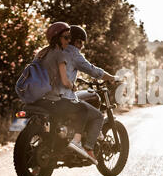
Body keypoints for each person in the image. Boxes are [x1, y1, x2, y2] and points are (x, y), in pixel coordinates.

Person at [33, 22, 94, 163]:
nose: (69, 41)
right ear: (58, 39)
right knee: (83, 110)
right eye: (66, 38)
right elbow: (65, 81)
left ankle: (54, 146)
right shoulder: (60, 55)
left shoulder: (41, 53)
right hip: (53, 99)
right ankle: (75, 143)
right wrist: (72, 86)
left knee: (57, 116)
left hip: (37, 98)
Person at [62, 25, 118, 161]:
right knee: (98, 116)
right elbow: (94, 71)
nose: (81, 46)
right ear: (76, 41)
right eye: (81, 42)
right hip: (63, 97)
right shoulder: (73, 53)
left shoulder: (54, 52)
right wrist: (111, 77)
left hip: (46, 97)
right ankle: (88, 147)